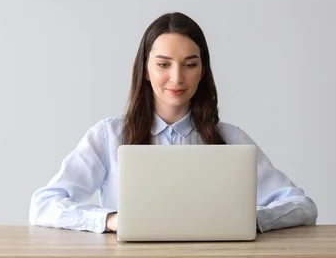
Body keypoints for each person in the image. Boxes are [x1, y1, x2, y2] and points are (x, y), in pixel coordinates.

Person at [29, 12, 318, 234]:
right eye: (164, 64)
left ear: (202, 70)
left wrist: (248, 221)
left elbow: (303, 207)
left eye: (190, 65)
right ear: (145, 69)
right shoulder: (109, 136)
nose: (177, 78)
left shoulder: (229, 139)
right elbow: (43, 205)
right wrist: (110, 219)